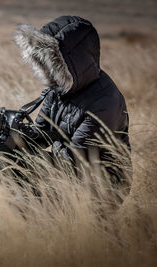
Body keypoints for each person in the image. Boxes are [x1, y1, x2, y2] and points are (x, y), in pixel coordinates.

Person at [12, 16, 131, 194]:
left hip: (104, 187)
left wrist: (27, 159)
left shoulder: (105, 102)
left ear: (73, 62)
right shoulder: (60, 88)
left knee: (25, 180)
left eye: (54, 62)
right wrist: (12, 138)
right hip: (69, 174)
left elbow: (75, 162)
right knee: (14, 172)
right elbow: (41, 134)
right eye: (44, 61)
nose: (46, 69)